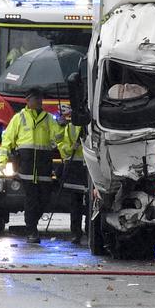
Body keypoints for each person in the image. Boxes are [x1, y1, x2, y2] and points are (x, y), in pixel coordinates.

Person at [0, 87, 61, 243]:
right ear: (28, 101)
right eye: (36, 99)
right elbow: (7, 140)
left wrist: (62, 126)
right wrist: (3, 161)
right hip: (26, 169)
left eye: (40, 99)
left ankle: (31, 224)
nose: (39, 102)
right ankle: (31, 230)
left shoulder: (48, 119)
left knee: (45, 199)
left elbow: (59, 137)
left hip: (43, 167)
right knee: (31, 199)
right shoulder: (19, 118)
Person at [56, 105, 88, 244]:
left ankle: (88, 230)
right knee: (75, 204)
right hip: (74, 167)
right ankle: (76, 232)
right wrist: (71, 148)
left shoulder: (88, 125)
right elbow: (61, 147)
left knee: (89, 204)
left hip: (88, 167)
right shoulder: (69, 128)